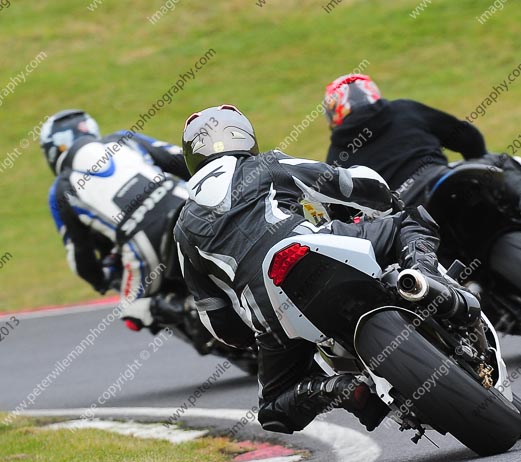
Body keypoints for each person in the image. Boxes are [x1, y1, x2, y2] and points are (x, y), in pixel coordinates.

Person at [174, 104, 477, 434]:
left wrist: (257, 338)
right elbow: (343, 183)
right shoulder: (266, 163)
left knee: (273, 409)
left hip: (270, 309)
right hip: (313, 247)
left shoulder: (183, 228)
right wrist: (387, 201)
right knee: (410, 221)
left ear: (191, 155)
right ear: (244, 137)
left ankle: (336, 388)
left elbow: (215, 316)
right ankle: (423, 280)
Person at [323, 74, 521, 248]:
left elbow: (343, 215)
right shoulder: (404, 109)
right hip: (443, 179)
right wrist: (476, 158)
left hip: (407, 218)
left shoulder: (335, 155)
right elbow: (469, 138)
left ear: (335, 111)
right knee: (500, 161)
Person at [42, 109, 193, 329]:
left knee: (130, 311)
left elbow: (80, 253)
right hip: (188, 204)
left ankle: (187, 308)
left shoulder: (60, 190)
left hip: (144, 244)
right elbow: (181, 159)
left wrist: (100, 281)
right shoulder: (123, 138)